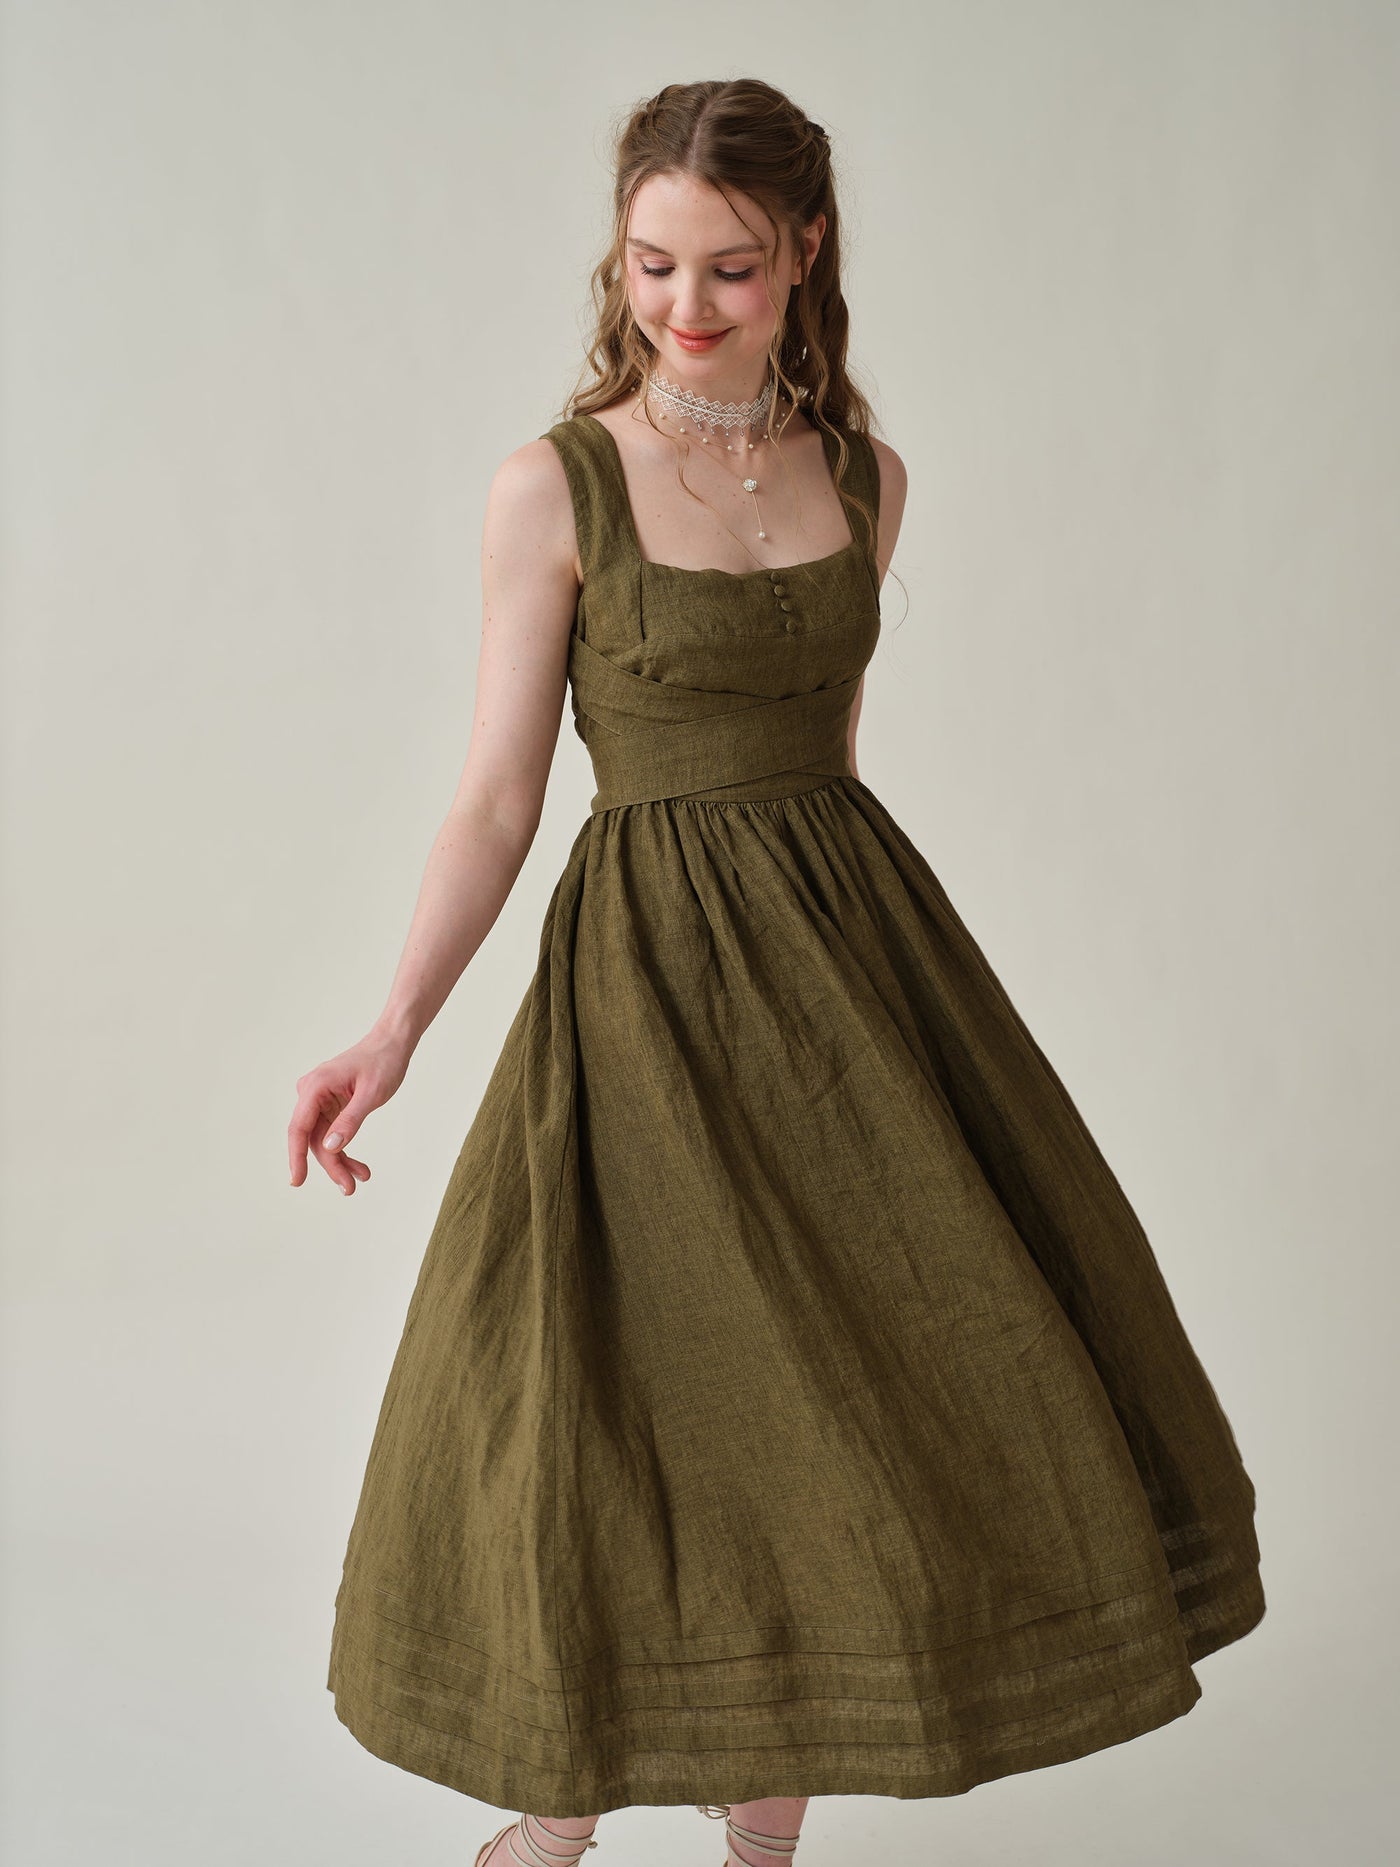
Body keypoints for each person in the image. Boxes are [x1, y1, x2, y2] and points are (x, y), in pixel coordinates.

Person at [288, 76, 1264, 1867]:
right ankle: (554, 1821)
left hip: (853, 979)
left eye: (731, 267)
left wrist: (847, 991)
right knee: (621, 1397)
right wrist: (395, 1026)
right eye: (653, 263)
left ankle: (765, 1836)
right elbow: (500, 794)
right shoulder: (555, 484)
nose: (686, 304)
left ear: (806, 252)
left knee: (871, 1388)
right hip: (644, 992)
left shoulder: (867, 481)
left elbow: (832, 746)